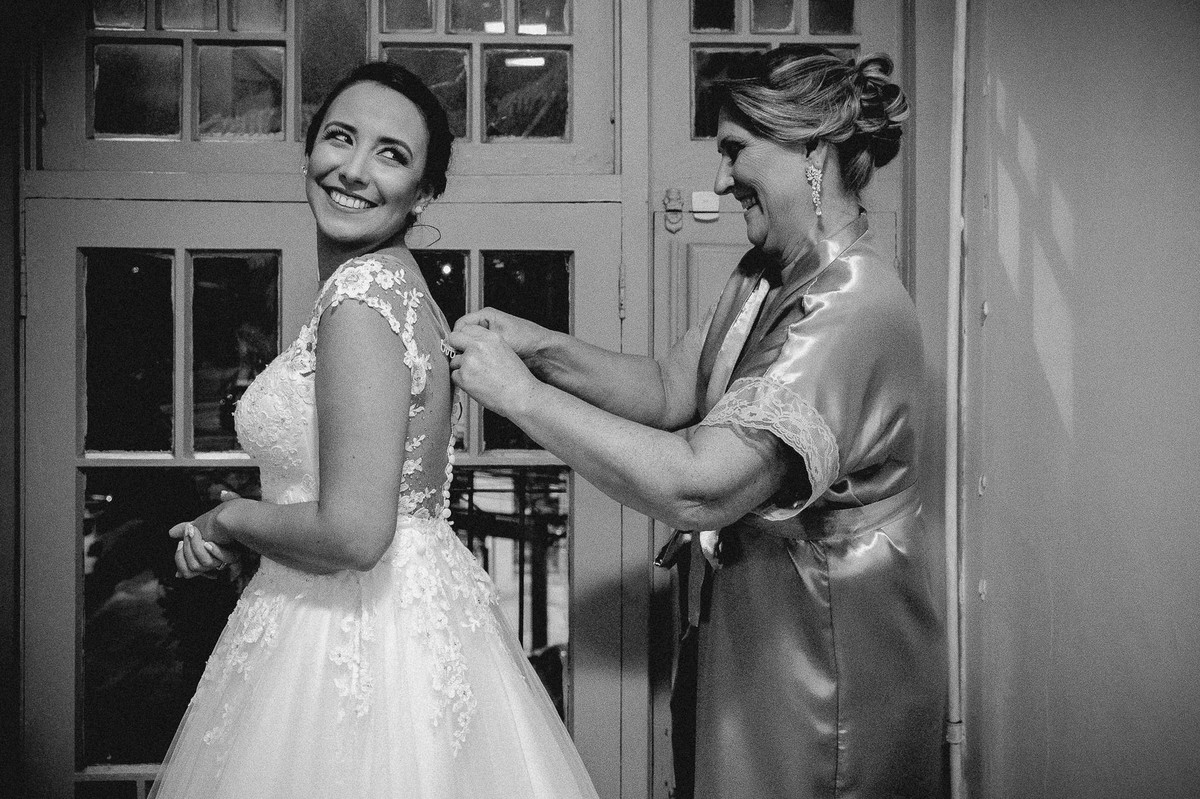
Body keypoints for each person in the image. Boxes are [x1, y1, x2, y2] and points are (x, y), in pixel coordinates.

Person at [448, 47, 945, 798]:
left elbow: (701, 486)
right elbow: (669, 387)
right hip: (758, 638)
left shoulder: (851, 308)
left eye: (735, 151)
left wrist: (520, 399)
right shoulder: (765, 274)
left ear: (812, 149)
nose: (719, 179)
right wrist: (539, 346)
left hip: (830, 661)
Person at [151, 62, 599, 799]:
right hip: (396, 619)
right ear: (309, 150)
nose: (354, 170)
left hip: (349, 634)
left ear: (423, 193)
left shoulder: (360, 298)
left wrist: (229, 516)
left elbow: (357, 532)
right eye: (340, 138)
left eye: (391, 154)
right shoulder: (401, 286)